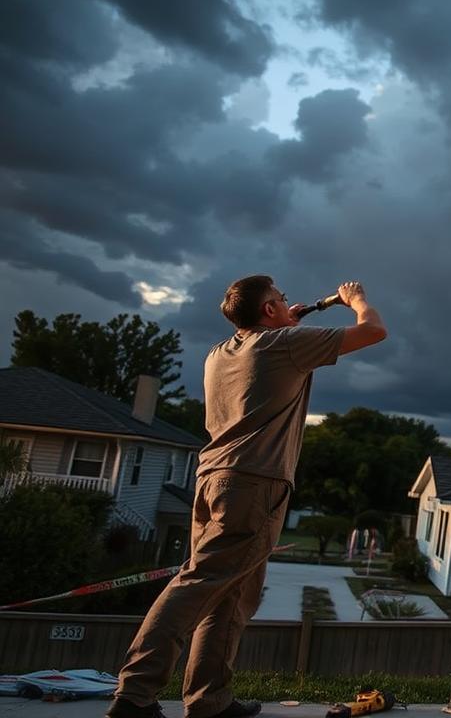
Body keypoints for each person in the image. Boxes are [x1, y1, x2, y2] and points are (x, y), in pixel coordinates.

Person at [106, 277, 387, 718]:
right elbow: (373, 331)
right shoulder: (284, 348)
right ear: (270, 312)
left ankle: (209, 700)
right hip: (254, 485)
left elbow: (268, 353)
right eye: (280, 298)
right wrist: (357, 300)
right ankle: (134, 695)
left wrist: (285, 326)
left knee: (232, 594)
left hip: (213, 480)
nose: (289, 301)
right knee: (196, 585)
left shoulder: (221, 353)